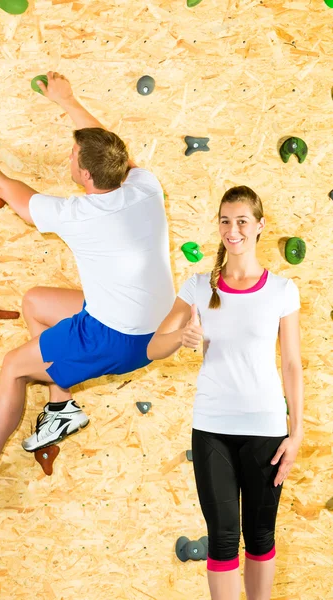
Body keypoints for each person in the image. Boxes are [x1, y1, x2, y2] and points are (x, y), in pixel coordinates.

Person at [0, 71, 175, 501]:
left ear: (83, 174)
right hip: (155, 325)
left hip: (117, 338)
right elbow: (111, 144)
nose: (68, 156)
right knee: (36, 303)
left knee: (13, 367)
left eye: (72, 154)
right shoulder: (145, 186)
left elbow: (4, 185)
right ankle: (61, 406)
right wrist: (67, 99)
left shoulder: (79, 214)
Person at [147, 186, 303, 600]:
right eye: (225, 221)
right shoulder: (198, 287)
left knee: (260, 534)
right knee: (221, 538)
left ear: (259, 226)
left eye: (241, 221)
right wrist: (182, 336)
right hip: (212, 427)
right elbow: (152, 347)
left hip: (266, 429)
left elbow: (291, 365)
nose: (232, 230)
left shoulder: (282, 291)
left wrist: (297, 433)